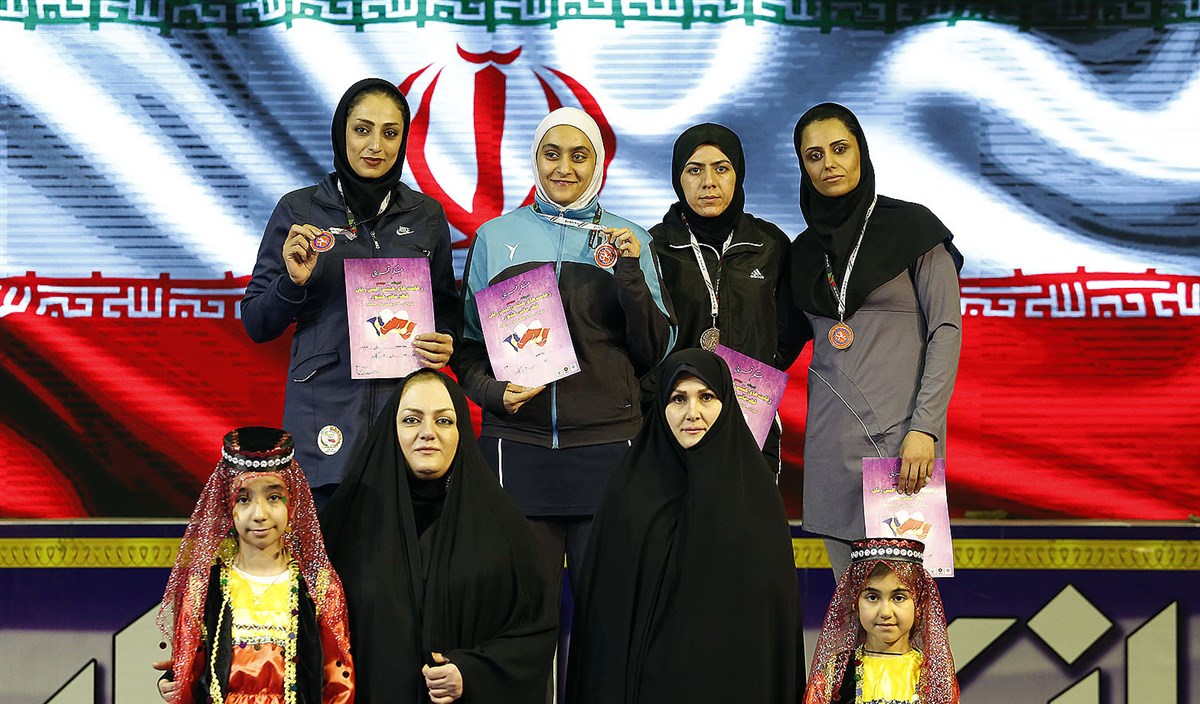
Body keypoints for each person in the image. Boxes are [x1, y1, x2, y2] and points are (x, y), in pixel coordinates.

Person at [454, 106, 673, 604]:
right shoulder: (494, 237)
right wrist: (493, 393)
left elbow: (654, 350)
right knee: (523, 618)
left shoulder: (630, 239)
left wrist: (629, 273)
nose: (564, 168)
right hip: (517, 451)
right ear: (535, 160)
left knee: (609, 616)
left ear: (598, 164)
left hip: (608, 450)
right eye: (551, 154)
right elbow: (467, 349)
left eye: (579, 156)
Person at [242, 78, 459, 505]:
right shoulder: (299, 210)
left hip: (405, 417)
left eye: (390, 133)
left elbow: (446, 311)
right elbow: (256, 323)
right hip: (323, 415)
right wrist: (292, 283)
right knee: (328, 549)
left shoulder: (426, 215)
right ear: (341, 132)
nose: (375, 145)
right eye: (362, 129)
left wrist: (446, 341)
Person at [785, 103, 963, 577]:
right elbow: (773, 347)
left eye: (840, 149)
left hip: (903, 448)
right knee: (849, 610)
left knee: (902, 607)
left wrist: (926, 429)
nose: (829, 164)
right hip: (830, 451)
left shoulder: (914, 229)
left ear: (861, 151)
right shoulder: (802, 252)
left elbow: (946, 331)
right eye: (814, 155)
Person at [566, 349, 802, 703]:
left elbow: (771, 628)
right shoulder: (628, 493)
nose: (693, 412)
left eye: (706, 397)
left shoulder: (755, 495)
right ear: (661, 407)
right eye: (679, 399)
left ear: (727, 403)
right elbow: (605, 628)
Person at [320, 369, 557, 703]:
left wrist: (471, 673)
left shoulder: (503, 529)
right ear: (391, 429)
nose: (428, 433)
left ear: (462, 430)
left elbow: (534, 634)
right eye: (412, 420)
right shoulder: (345, 524)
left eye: (444, 421)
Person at [154, 427, 354, 704]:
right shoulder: (204, 587)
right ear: (227, 507)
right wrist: (173, 683)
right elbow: (190, 675)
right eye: (244, 499)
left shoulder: (318, 586)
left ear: (292, 503)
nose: (259, 514)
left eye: (273, 497)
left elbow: (338, 681)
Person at [646, 123, 796, 471]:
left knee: (748, 506)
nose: (708, 182)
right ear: (677, 177)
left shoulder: (769, 244)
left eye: (721, 168)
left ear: (738, 174)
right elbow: (643, 336)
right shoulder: (657, 247)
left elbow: (792, 321)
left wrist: (765, 361)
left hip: (751, 414)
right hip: (679, 418)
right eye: (694, 170)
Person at [804, 537, 958, 704]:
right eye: (872, 597)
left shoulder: (933, 677)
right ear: (855, 603)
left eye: (898, 598)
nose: (885, 612)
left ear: (918, 604)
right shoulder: (835, 675)